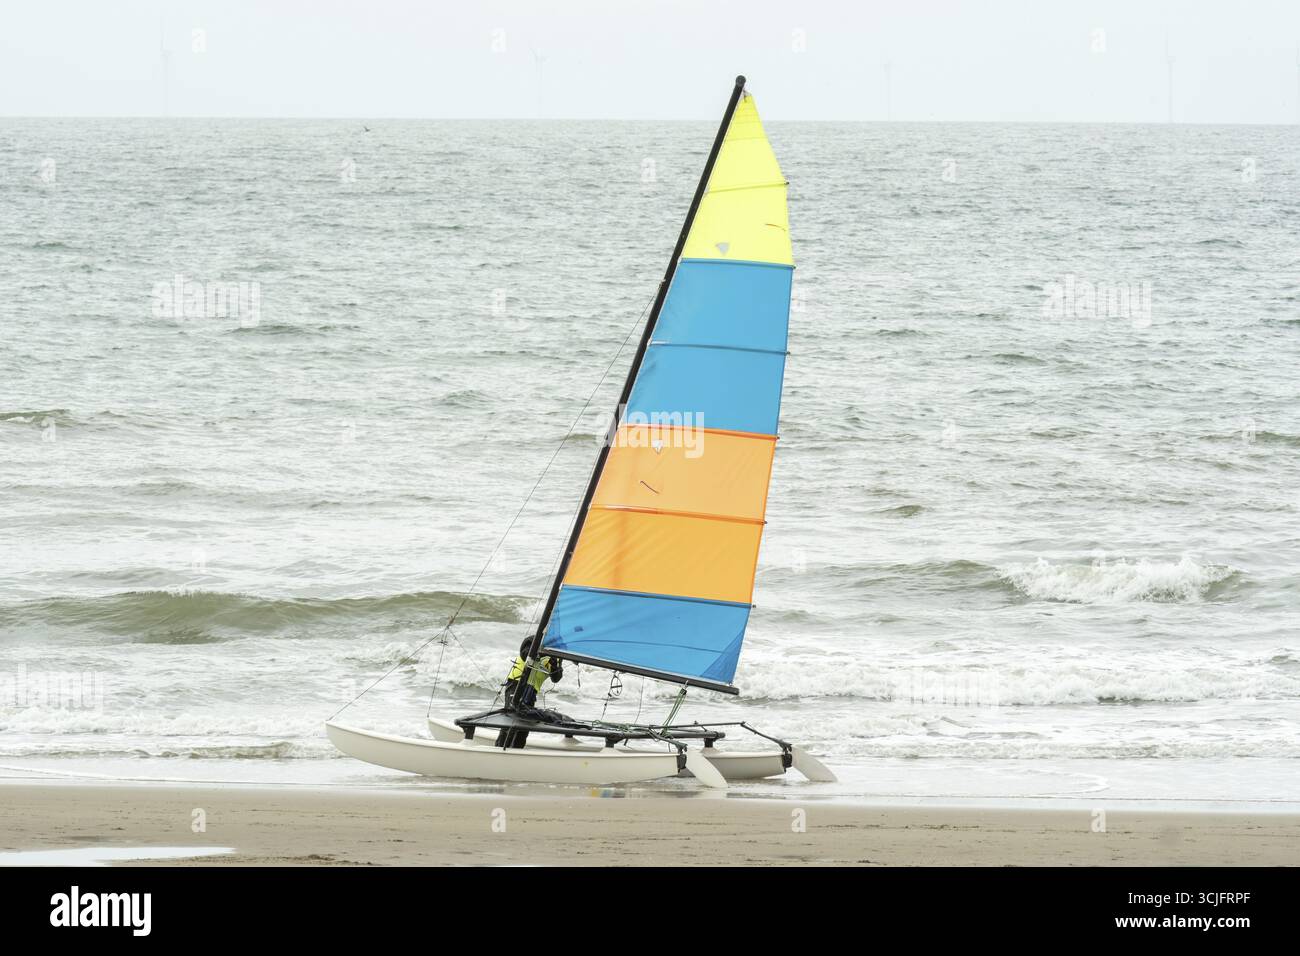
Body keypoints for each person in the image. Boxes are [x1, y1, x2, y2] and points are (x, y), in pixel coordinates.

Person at [497, 637, 564, 748]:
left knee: (525, 724)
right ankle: (500, 748)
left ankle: (517, 750)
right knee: (512, 717)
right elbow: (525, 654)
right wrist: (544, 652)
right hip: (516, 684)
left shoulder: (556, 655)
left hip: (531, 692)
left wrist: (555, 664)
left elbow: (556, 678)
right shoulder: (534, 641)